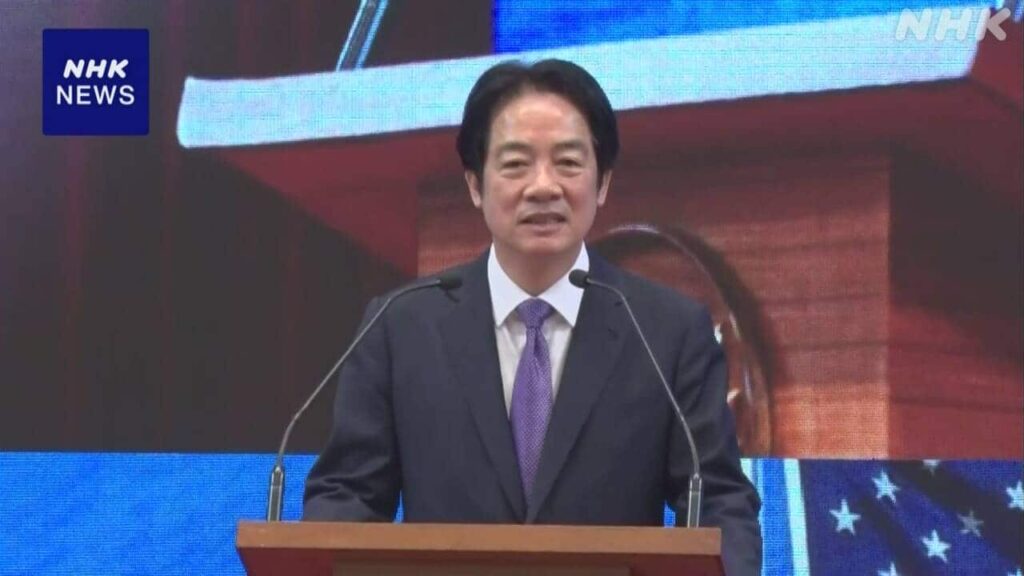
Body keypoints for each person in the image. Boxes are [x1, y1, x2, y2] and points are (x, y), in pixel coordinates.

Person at [303, 59, 762, 576]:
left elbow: (719, 500)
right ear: (475, 185)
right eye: (516, 164)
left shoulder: (667, 331)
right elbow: (348, 495)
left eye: (568, 163)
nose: (543, 187)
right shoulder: (400, 326)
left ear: (603, 182)